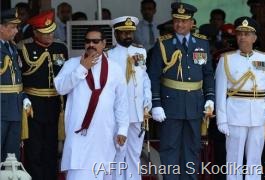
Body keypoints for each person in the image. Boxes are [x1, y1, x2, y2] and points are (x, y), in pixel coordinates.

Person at [148, 2, 215, 180]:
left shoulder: (202, 43)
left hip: (194, 104)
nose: (179, 24)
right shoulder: (163, 44)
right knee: (170, 150)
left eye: (184, 21)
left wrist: (210, 98)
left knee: (192, 149)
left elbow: (208, 73)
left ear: (192, 23)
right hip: (170, 104)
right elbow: (153, 76)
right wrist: (156, 103)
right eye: (176, 20)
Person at [54, 26, 129, 180]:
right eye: (88, 41)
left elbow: (121, 102)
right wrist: (82, 68)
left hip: (105, 132)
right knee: (79, 173)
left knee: (103, 172)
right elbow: (60, 88)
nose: (91, 45)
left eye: (96, 41)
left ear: (104, 43)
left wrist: (122, 129)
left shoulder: (115, 68)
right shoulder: (72, 64)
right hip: (79, 133)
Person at [215, 16, 265, 180]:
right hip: (234, 116)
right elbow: (220, 92)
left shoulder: (264, 59)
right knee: (234, 161)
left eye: (246, 34)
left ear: (254, 38)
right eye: (239, 34)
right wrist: (221, 120)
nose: (242, 37)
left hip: (258, 117)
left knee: (255, 162)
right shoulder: (226, 59)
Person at [17, 10, 68, 180]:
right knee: (34, 149)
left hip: (55, 104)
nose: (50, 36)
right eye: (45, 33)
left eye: (52, 31)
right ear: (35, 33)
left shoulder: (60, 48)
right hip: (33, 105)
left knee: (52, 148)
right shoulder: (25, 48)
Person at [107, 16, 152, 180]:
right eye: (124, 33)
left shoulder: (140, 52)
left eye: (130, 33)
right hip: (117, 114)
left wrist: (148, 97)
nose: (128, 36)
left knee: (134, 154)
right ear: (116, 33)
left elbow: (144, 77)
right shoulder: (108, 55)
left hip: (137, 111)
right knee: (118, 154)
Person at [0, 8, 32, 162]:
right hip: (1, 109)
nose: (16, 30)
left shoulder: (12, 47)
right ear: (1, 27)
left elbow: (17, 80)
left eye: (17, 27)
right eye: (12, 27)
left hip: (15, 108)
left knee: (12, 156)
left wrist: (24, 97)